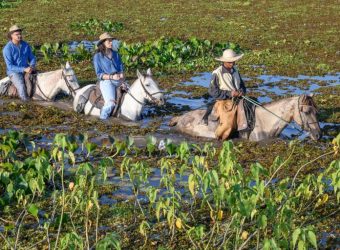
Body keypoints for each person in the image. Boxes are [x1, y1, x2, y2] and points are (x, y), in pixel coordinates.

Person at [202, 49, 246, 125]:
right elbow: (212, 91)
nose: (232, 64)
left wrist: (241, 91)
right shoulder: (217, 73)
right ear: (224, 61)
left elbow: (242, 85)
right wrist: (230, 93)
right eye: (229, 62)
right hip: (224, 101)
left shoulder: (236, 70)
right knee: (228, 124)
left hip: (237, 99)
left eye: (233, 61)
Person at [93, 32, 125, 119]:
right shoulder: (97, 57)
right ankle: (103, 120)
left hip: (118, 80)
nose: (111, 43)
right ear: (103, 43)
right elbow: (99, 74)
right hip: (106, 81)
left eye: (112, 41)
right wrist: (111, 77)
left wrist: (122, 77)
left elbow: (121, 69)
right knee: (110, 104)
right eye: (109, 41)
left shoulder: (116, 54)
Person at [2, 25, 36, 101]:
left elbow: (32, 57)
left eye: (20, 34)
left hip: (27, 68)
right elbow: (10, 66)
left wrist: (32, 65)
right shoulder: (7, 49)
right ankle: (25, 101)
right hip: (14, 72)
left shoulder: (25, 45)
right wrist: (24, 69)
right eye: (17, 34)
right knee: (21, 86)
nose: (19, 36)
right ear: (11, 36)